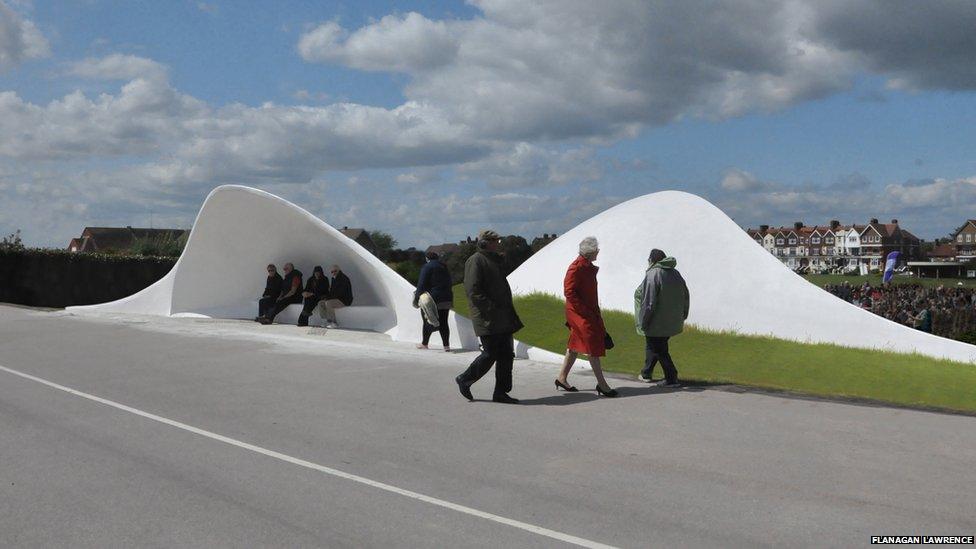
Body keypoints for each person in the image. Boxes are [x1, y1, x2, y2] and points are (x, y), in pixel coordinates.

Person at [455, 229, 523, 404]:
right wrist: (493, 308)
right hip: (488, 318)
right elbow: (473, 291)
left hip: (503, 317)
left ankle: (501, 392)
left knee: (507, 355)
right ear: (485, 242)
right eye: (495, 240)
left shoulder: (494, 260)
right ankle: (465, 378)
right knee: (490, 353)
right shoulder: (476, 261)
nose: (498, 243)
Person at [555, 237, 617, 397]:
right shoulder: (576, 268)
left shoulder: (586, 266)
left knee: (575, 344)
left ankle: (562, 378)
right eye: (597, 249)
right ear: (590, 252)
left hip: (586, 311)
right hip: (579, 313)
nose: (598, 252)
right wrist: (584, 311)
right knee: (592, 344)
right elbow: (569, 292)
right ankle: (602, 385)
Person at [635, 248, 689, 387]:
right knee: (653, 345)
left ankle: (671, 377)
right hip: (672, 320)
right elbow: (685, 295)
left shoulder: (653, 274)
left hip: (656, 320)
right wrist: (684, 314)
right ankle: (646, 373)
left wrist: (644, 321)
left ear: (652, 260)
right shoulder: (676, 273)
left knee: (659, 348)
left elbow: (649, 302)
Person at [414, 251, 454, 351]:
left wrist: (417, 297)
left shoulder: (427, 267)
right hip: (447, 298)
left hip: (432, 299)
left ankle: (424, 344)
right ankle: (446, 346)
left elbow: (421, 283)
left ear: (427, 258)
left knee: (427, 319)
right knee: (444, 322)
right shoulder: (444, 267)